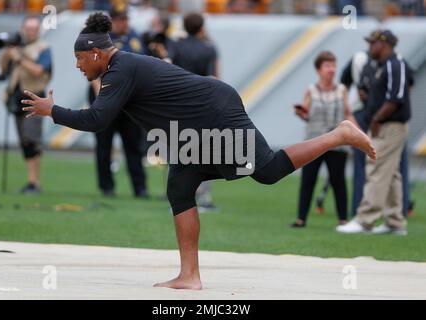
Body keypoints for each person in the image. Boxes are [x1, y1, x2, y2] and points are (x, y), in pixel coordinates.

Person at [22, 13, 376, 290]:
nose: (79, 66)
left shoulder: (120, 69)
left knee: (267, 171)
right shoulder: (121, 67)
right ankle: (189, 276)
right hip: (197, 126)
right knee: (180, 186)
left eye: (81, 59)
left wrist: (51, 110)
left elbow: (98, 119)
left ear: (96, 53)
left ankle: (338, 135)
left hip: (214, 113)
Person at [337, 30, 410, 235]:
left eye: (373, 43)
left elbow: (397, 97)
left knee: (376, 168)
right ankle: (395, 221)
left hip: (390, 125)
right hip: (381, 124)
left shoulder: (395, 64)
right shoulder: (379, 66)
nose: (370, 47)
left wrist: (377, 118)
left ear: (384, 44)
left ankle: (365, 219)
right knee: (392, 173)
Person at [291, 51, 356, 228]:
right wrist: (301, 113)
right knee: (308, 180)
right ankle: (301, 218)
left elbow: (348, 113)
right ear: (318, 70)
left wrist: (357, 132)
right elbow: (306, 113)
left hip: (337, 143)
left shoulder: (342, 90)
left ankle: (343, 219)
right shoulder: (311, 90)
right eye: (327, 66)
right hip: (314, 142)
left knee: (338, 181)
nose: (332, 69)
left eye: (333, 65)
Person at [89, 8, 149, 198]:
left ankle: (140, 188)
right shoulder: (101, 39)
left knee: (133, 145)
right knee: (104, 144)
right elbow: (92, 71)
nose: (124, 23)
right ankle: (107, 187)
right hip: (106, 98)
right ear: (112, 20)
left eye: (126, 19)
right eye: (121, 19)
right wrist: (102, 98)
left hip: (130, 101)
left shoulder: (135, 37)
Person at [170, 12, 219, 212]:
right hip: (203, 102)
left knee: (179, 150)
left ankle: (178, 196)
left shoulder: (176, 45)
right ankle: (204, 197)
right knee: (206, 151)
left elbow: (168, 69)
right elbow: (214, 77)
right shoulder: (209, 48)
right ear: (201, 28)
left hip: (180, 103)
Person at [0, 15, 52, 194]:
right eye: (28, 29)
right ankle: (31, 181)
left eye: (33, 29)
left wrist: (20, 58)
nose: (30, 32)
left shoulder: (43, 48)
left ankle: (34, 182)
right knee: (23, 140)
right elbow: (3, 70)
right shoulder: (17, 48)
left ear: (38, 30)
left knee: (31, 139)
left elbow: (39, 71)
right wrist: (7, 53)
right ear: (23, 29)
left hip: (35, 99)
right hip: (16, 97)